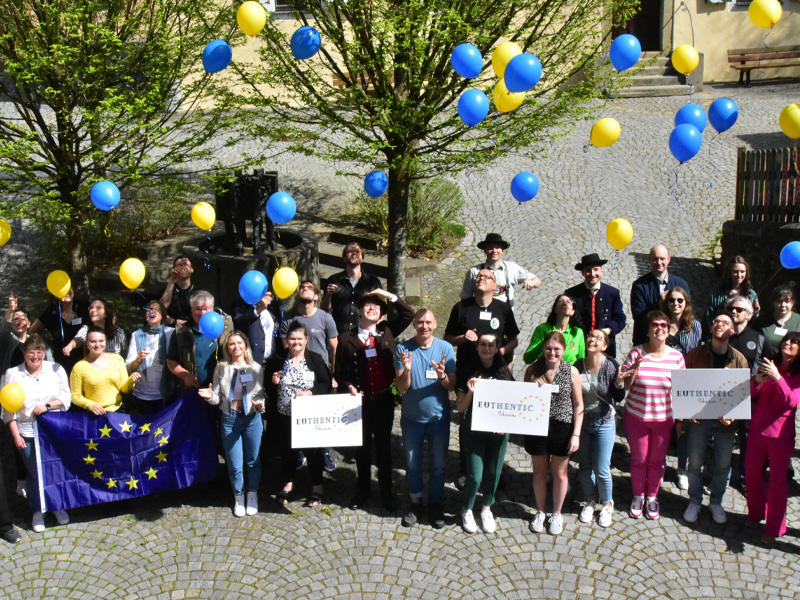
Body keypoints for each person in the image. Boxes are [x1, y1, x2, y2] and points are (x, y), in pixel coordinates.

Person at [334, 289, 414, 511]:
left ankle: (386, 492)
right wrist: (347, 386)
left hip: (384, 399)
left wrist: (386, 295)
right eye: (368, 304)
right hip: (359, 403)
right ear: (360, 309)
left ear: (381, 314)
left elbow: (409, 315)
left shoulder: (387, 331)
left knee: (384, 449)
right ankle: (363, 490)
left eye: (377, 306)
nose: (372, 307)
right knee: (362, 449)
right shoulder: (345, 338)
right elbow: (339, 374)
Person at [681, 314, 748, 525]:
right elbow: (685, 386)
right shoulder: (695, 354)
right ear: (711, 328)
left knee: (723, 464)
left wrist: (734, 416)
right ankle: (695, 500)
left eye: (725, 323)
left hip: (726, 424)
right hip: (699, 420)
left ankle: (716, 501)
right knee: (695, 462)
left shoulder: (739, 359)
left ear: (733, 331)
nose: (720, 325)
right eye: (717, 322)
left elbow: (742, 394)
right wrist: (688, 412)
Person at [618, 310, 685, 520]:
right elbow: (626, 386)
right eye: (655, 325)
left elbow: (681, 391)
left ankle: (653, 497)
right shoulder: (636, 353)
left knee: (657, 460)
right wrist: (633, 370)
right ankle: (638, 495)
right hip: (636, 417)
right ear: (648, 330)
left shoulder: (676, 357)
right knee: (638, 459)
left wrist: (682, 420)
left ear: (668, 329)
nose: (659, 329)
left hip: (664, 419)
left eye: (663, 325)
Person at [395, 309, 456, 529]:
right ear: (414, 324)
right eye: (420, 322)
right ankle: (415, 502)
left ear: (435, 324)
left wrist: (442, 376)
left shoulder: (445, 349)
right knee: (412, 464)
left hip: (438, 419)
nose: (424, 326)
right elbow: (401, 388)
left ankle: (436, 503)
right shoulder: (403, 349)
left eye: (428, 322)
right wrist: (407, 370)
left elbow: (452, 385)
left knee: (439, 465)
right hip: (411, 420)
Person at [3, 334, 71, 533]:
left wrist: (47, 405)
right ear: (24, 353)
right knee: (34, 473)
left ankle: (57, 506)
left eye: (39, 352)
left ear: (44, 353)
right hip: (27, 432)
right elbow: (9, 410)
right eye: (31, 353)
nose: (35, 357)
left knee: (55, 469)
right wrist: (16, 435)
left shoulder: (55, 369)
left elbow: (66, 398)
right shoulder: (13, 374)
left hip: (53, 430)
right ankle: (37, 510)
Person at [198, 331, 266, 517]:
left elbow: (260, 394)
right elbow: (218, 398)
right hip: (230, 420)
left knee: (253, 461)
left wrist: (260, 405)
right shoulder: (221, 368)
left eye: (239, 343)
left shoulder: (256, 368)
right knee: (234, 464)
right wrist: (209, 396)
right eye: (231, 344)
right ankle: (238, 495)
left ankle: (252, 494)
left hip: (252, 419)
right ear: (227, 348)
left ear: (245, 345)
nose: (236, 347)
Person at [265, 322, 332, 508]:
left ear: (306, 340)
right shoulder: (277, 360)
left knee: (313, 452)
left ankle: (317, 486)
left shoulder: (315, 359)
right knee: (287, 450)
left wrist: (310, 392)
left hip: (308, 416)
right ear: (286, 341)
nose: (296, 343)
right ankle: (288, 481)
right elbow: (268, 388)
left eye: (299, 339)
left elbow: (326, 384)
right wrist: (274, 382)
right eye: (292, 339)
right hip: (284, 415)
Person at [524, 331, 584, 535]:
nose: (552, 352)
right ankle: (541, 511)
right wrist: (533, 389)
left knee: (560, 472)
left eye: (557, 349)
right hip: (537, 426)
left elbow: (578, 404)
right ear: (543, 348)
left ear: (564, 350)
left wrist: (576, 434)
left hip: (562, 427)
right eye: (549, 348)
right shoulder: (533, 370)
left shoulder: (571, 371)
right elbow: (523, 401)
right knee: (540, 472)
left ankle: (556, 513)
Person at [455, 333, 514, 534]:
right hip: (474, 431)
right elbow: (461, 408)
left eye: (491, 345)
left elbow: (513, 405)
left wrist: (505, 423)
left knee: (493, 472)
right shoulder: (467, 371)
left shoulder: (505, 372)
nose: (487, 348)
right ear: (477, 347)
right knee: (475, 476)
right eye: (483, 344)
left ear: (497, 348)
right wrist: (471, 391)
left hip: (498, 433)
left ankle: (487, 508)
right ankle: (467, 509)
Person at [745, 331, 800, 543]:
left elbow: (791, 402)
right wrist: (757, 380)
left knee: (778, 481)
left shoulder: (796, 374)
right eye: (787, 340)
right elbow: (752, 393)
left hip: (780, 435)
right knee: (750, 473)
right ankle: (756, 512)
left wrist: (777, 378)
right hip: (758, 428)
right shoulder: (771, 364)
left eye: (794, 342)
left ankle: (775, 527)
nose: (788, 343)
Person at [574, 329, 625, 528]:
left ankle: (606, 504)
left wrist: (619, 384)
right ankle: (589, 501)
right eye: (590, 336)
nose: (592, 339)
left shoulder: (611, 366)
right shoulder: (578, 366)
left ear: (605, 346)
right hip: (584, 421)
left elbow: (618, 398)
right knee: (585, 466)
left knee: (602, 467)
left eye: (599, 338)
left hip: (604, 422)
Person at [659, 285, 701, 490]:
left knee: (684, 429)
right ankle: (661, 465)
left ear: (686, 304)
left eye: (680, 301)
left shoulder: (695, 326)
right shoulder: (660, 324)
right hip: (664, 381)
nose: (675, 304)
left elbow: (698, 353)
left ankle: (682, 468)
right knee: (664, 426)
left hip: (687, 382)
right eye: (672, 300)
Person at [725, 295, 767, 489]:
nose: (734, 311)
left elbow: (764, 368)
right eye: (731, 308)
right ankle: (722, 479)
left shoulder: (759, 339)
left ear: (749, 315)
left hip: (748, 399)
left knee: (747, 441)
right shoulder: (723, 334)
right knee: (723, 440)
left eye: (739, 309)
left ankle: (745, 479)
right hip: (723, 397)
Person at [445, 268, 519, 371]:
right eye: (479, 276)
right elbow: (447, 338)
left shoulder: (503, 309)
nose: (481, 279)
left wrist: (499, 352)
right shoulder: (461, 307)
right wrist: (463, 338)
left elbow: (514, 340)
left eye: (487, 277)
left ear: (494, 286)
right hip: (466, 368)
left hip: (495, 368)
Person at [167, 290, 233, 391]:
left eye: (205, 309)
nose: (202, 313)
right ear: (191, 310)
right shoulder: (181, 332)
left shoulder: (226, 327)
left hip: (222, 390)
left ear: (212, 309)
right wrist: (184, 375)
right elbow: (171, 361)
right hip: (195, 390)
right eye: (198, 309)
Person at [564, 253, 626, 358]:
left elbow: (620, 319)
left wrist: (607, 330)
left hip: (605, 347)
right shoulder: (572, 293)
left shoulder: (612, 293)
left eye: (596, 269)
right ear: (583, 273)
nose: (592, 274)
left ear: (601, 271)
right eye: (588, 270)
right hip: (578, 346)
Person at [70, 326, 141, 414]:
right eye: (93, 342)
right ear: (87, 343)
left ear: (105, 341)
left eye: (101, 341)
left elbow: (124, 389)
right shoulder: (79, 367)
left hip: (118, 412)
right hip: (93, 415)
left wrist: (131, 381)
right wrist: (90, 405)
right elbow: (75, 396)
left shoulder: (117, 359)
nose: (97, 345)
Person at [459, 233, 541, 310]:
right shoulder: (474, 272)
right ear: (485, 250)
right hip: (481, 317)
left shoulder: (511, 268)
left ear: (502, 250)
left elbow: (537, 281)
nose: (494, 250)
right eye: (490, 247)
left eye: (497, 247)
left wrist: (532, 283)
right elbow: (465, 298)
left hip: (505, 318)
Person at [630, 245, 690, 346]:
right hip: (647, 341)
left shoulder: (681, 284)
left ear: (668, 259)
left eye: (662, 259)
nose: (659, 262)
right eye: (655, 259)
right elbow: (638, 315)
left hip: (676, 340)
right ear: (649, 260)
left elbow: (687, 310)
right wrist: (659, 303)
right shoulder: (639, 285)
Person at [125, 301, 176, 415]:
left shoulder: (171, 333)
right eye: (148, 310)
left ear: (162, 314)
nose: (151, 312)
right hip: (141, 394)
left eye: (156, 309)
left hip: (165, 394)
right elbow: (129, 368)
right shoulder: (136, 335)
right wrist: (138, 360)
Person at [320, 242, 381, 336]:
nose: (354, 253)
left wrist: (377, 332)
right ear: (344, 258)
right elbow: (324, 310)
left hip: (364, 334)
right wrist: (328, 295)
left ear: (362, 258)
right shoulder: (334, 280)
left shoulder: (373, 282)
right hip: (339, 334)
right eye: (350, 251)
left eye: (357, 251)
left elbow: (380, 310)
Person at [29, 287, 89, 374]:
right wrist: (50, 344)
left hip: (84, 361)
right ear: (55, 295)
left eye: (69, 287)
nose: (67, 291)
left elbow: (89, 329)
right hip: (61, 365)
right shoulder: (51, 313)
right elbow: (32, 332)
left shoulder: (83, 308)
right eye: (62, 289)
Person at [702, 255, 760, 336]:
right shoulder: (718, 293)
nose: (739, 275)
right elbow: (709, 317)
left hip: (743, 335)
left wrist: (756, 312)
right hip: (722, 334)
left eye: (742, 271)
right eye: (736, 271)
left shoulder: (751, 294)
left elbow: (753, 320)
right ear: (729, 272)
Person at [523, 294, 585, 365]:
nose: (564, 303)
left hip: (568, 374)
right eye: (561, 301)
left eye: (568, 302)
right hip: (544, 372)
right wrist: (545, 342)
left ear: (573, 311)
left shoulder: (577, 332)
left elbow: (581, 361)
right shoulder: (542, 329)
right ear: (555, 308)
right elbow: (528, 359)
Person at [62, 299, 127, 357]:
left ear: (106, 314)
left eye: (98, 308)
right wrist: (70, 346)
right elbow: (78, 339)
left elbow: (124, 356)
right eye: (91, 308)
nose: (93, 310)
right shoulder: (86, 329)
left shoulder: (118, 332)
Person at [752, 285, 800, 359]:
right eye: (779, 301)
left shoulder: (798, 320)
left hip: (794, 367)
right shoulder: (761, 322)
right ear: (773, 302)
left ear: (792, 303)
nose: (783, 305)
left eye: (787, 301)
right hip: (767, 365)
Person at [233, 290, 280, 365]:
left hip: (271, 364)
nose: (268, 294)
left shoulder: (273, 307)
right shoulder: (242, 307)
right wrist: (258, 309)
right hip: (251, 362)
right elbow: (239, 323)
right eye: (263, 292)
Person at [160, 255, 195, 326]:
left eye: (185, 264)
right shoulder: (166, 290)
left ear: (191, 269)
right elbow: (161, 311)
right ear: (174, 269)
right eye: (179, 265)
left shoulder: (198, 293)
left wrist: (174, 321)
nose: (183, 267)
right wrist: (172, 280)